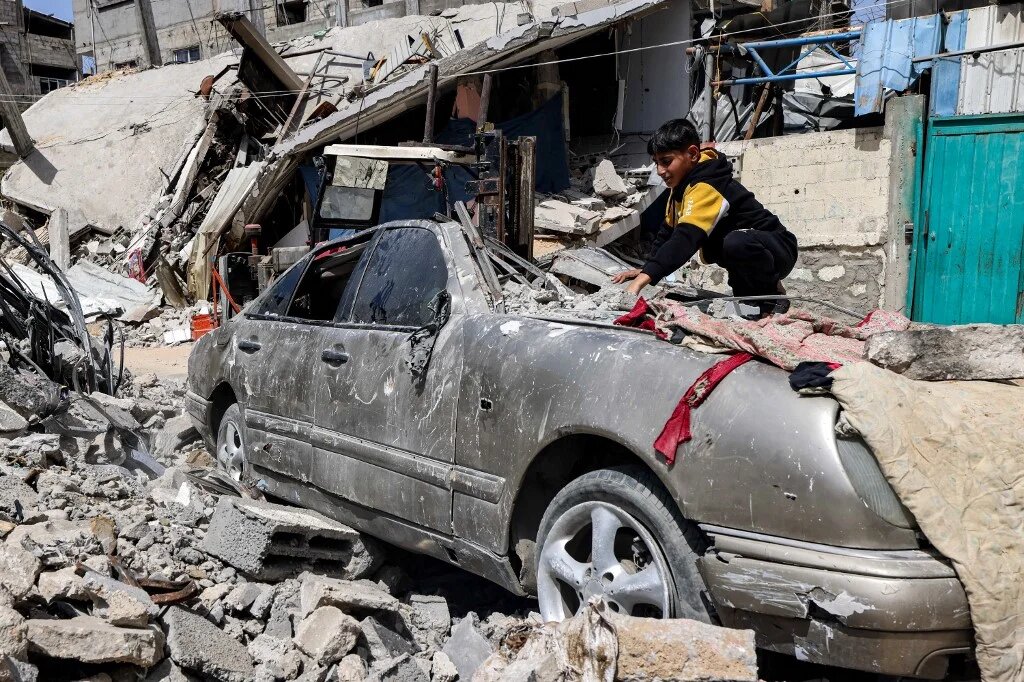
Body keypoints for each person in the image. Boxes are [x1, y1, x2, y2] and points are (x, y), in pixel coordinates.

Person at [612, 119, 798, 316]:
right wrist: (646, 269)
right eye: (656, 163)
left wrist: (640, 284)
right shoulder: (681, 188)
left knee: (735, 242)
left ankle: (772, 297)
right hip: (746, 251)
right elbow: (668, 233)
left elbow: (685, 239)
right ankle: (752, 302)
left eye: (666, 161)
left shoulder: (707, 184)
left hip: (778, 249)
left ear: (692, 154)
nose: (660, 171)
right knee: (726, 250)